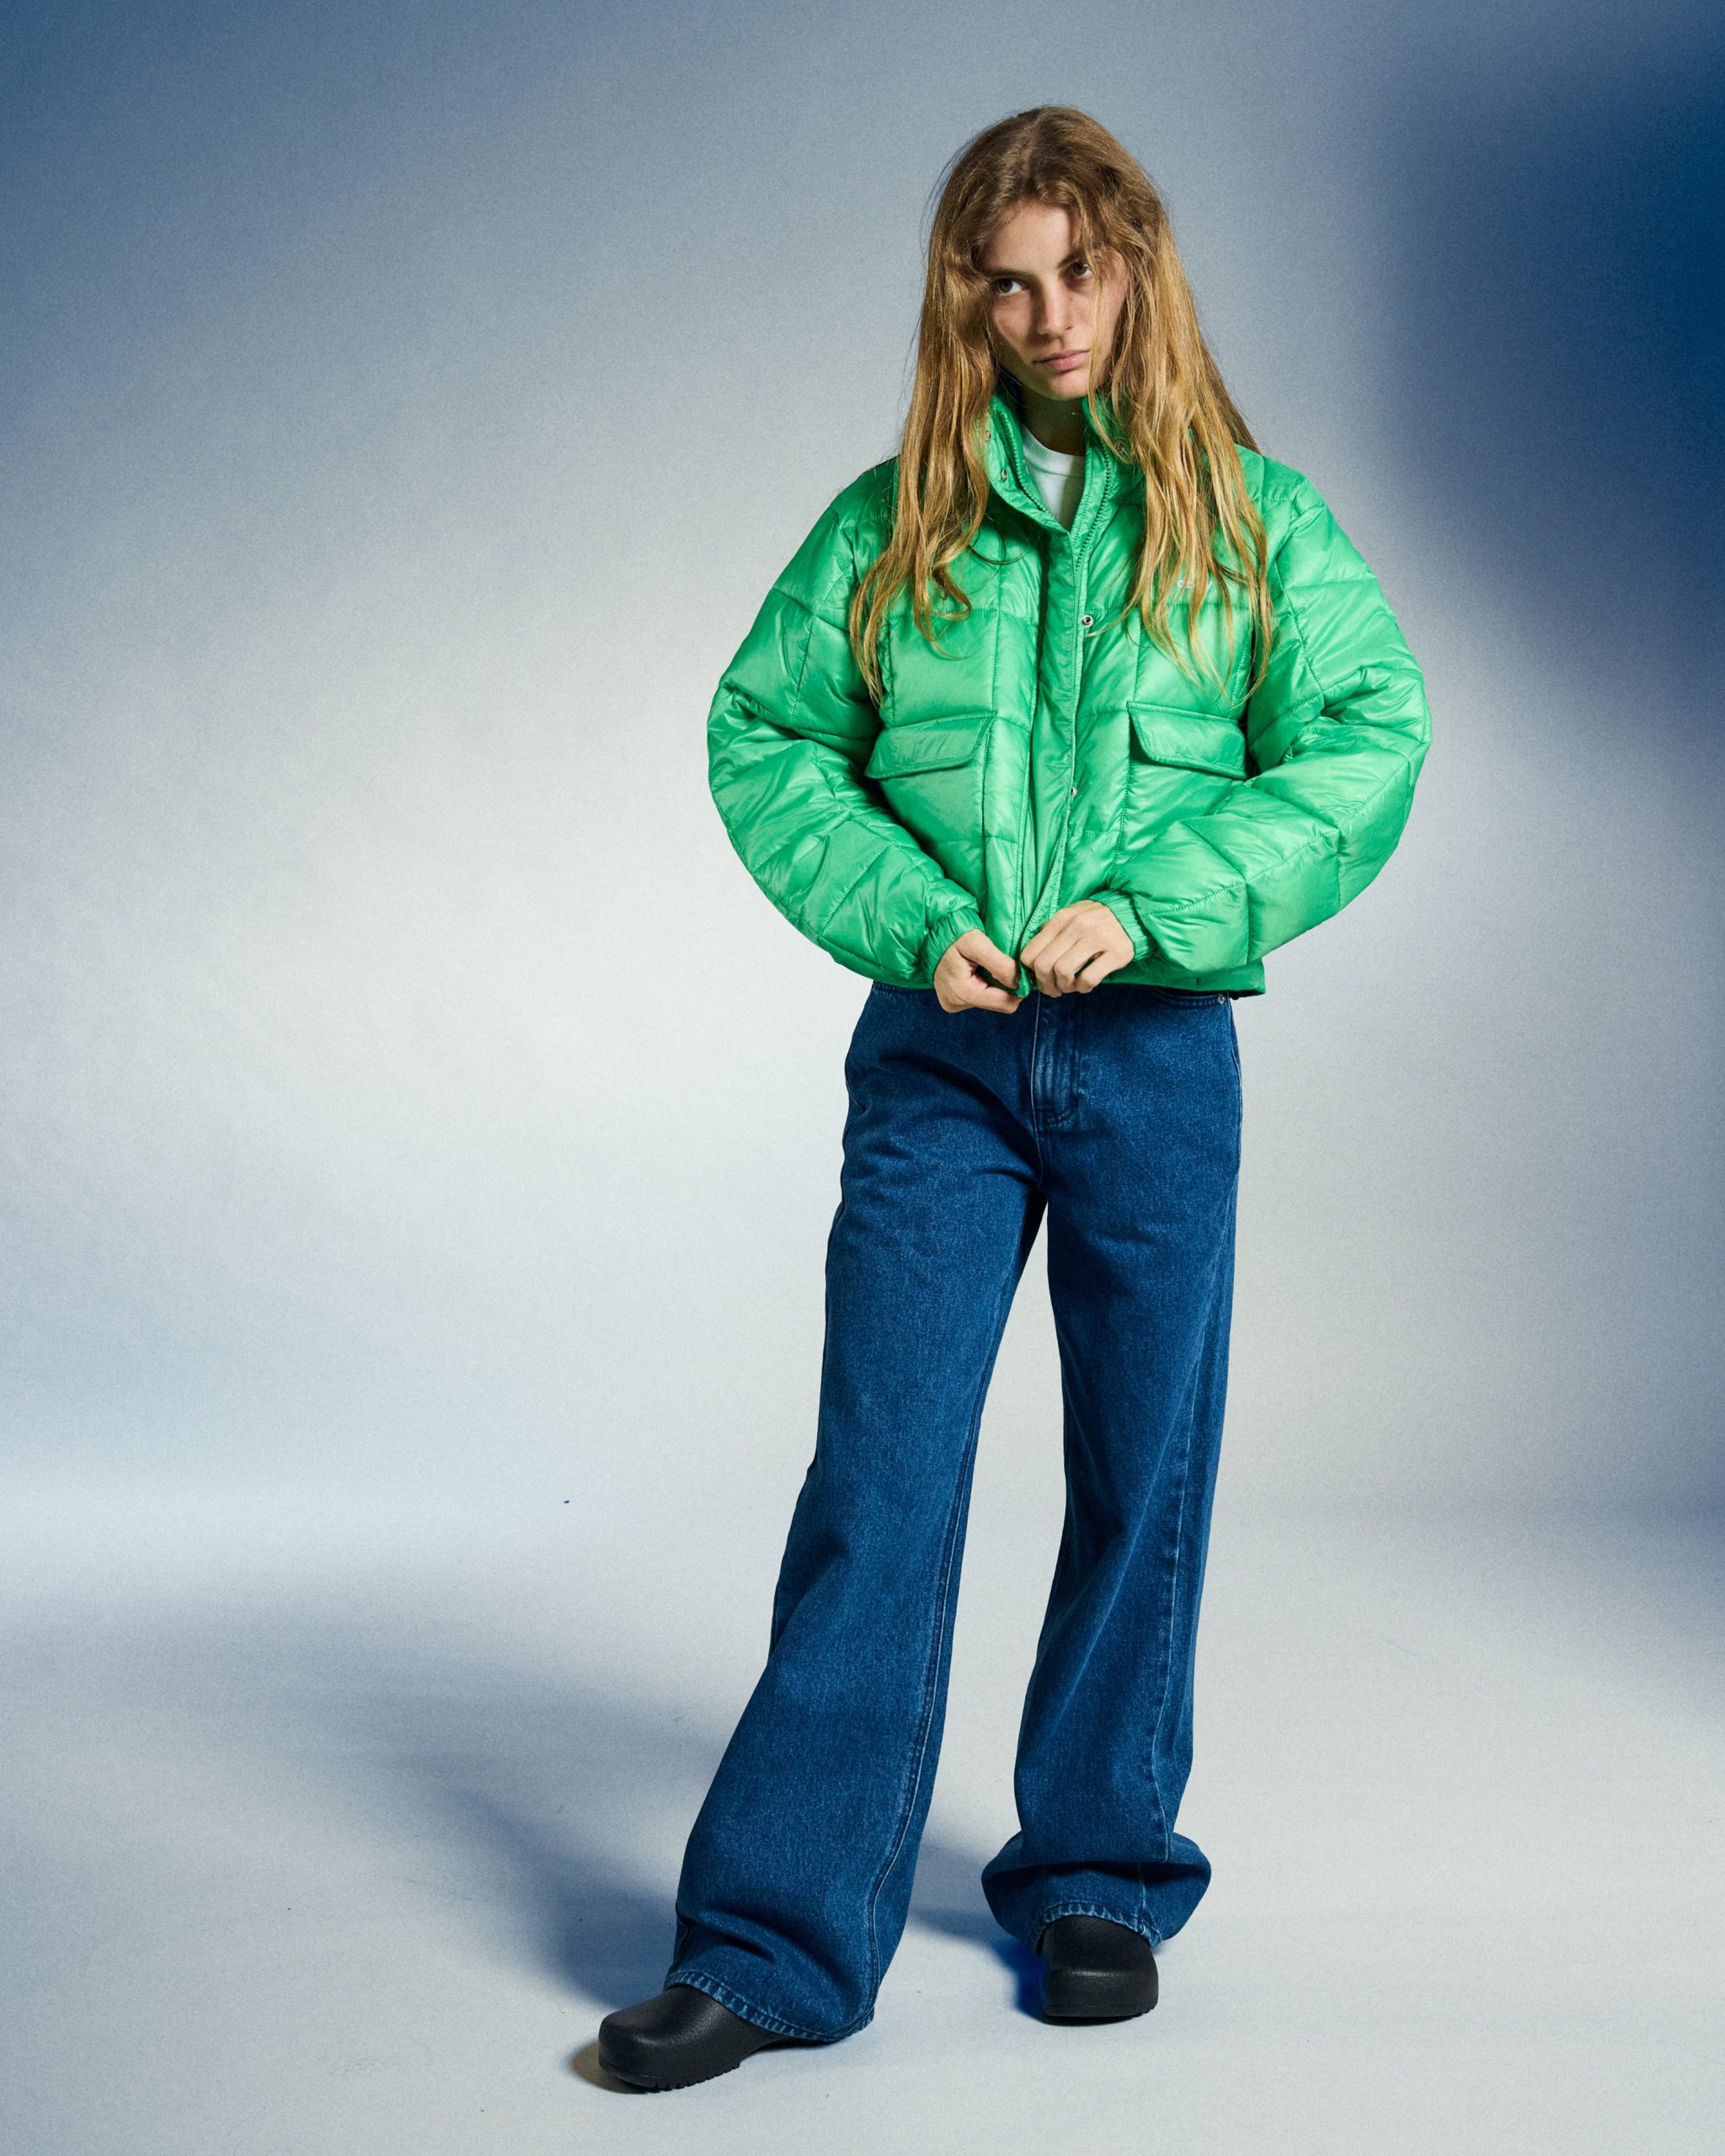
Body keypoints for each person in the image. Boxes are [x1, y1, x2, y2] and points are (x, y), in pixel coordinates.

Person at [597, 104, 1430, 2091]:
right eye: (1006, 281)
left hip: (1154, 1058)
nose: (1049, 315)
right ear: (959, 300)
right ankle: (776, 1942)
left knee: (1144, 1473)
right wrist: (908, 918)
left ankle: (1097, 1871)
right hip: (941, 1068)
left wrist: (1153, 907)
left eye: (1080, 270)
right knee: (878, 1481)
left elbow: (1368, 736)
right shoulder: (895, 524)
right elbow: (766, 732)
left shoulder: (1251, 521)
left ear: (1136, 271)